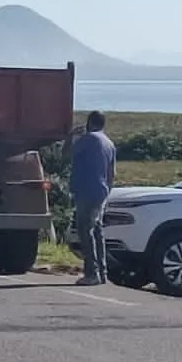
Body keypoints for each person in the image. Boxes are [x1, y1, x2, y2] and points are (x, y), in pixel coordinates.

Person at [69, 110, 116, 287]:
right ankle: (103, 272)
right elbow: (112, 173)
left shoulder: (88, 140)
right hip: (102, 191)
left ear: (90, 123)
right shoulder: (109, 143)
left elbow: (68, 154)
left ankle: (92, 272)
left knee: (85, 230)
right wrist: (107, 190)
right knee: (97, 230)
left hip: (86, 190)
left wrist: (72, 136)